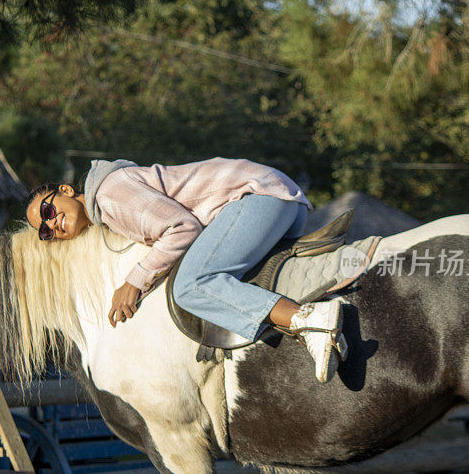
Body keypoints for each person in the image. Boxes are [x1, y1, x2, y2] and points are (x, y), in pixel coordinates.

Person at [25, 158, 346, 382]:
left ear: (66, 191)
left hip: (257, 198)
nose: (52, 224)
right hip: (279, 203)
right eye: (45, 232)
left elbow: (182, 228)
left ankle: (308, 321)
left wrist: (134, 281)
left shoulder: (108, 194)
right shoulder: (106, 206)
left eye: (48, 210)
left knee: (192, 285)